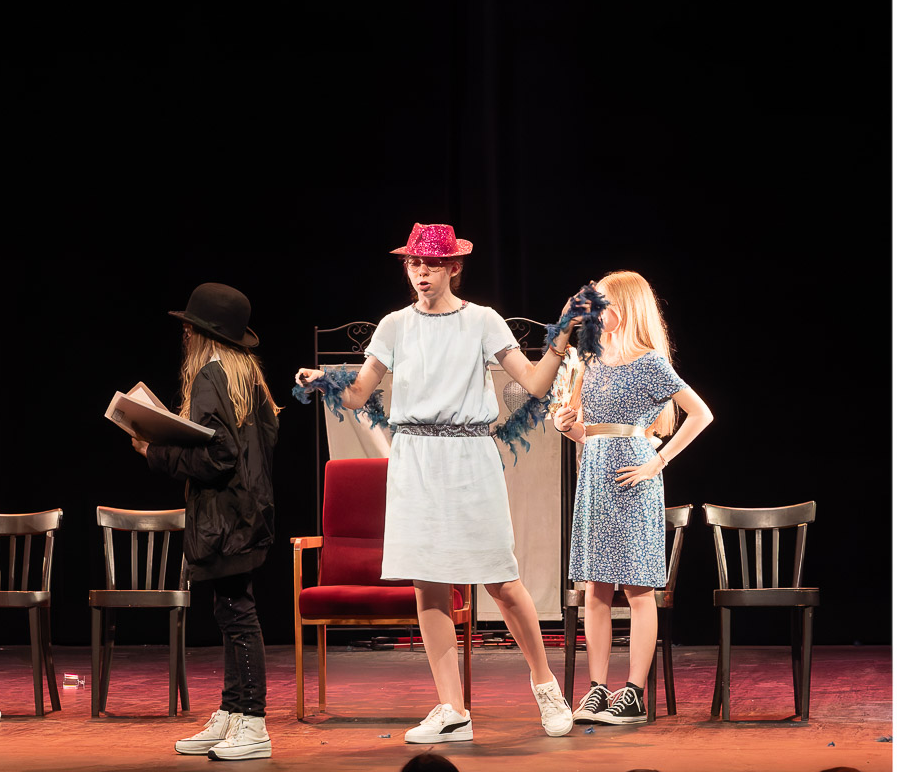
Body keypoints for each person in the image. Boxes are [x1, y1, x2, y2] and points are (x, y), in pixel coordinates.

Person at [296, 222, 579, 743]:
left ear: (453, 267)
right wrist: (326, 381)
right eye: (412, 264)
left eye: (430, 264)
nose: (420, 273)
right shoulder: (394, 326)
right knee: (428, 582)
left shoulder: (482, 321)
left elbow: (536, 383)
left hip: (469, 453)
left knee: (500, 575)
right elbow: (359, 395)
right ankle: (453, 708)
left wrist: (559, 342)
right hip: (415, 457)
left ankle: (546, 686)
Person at [552, 271, 712, 725]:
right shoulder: (591, 361)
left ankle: (635, 692)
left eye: (601, 303)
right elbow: (587, 429)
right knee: (595, 590)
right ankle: (599, 688)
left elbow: (701, 414)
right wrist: (569, 428)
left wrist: (657, 463)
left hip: (631, 478)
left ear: (624, 307)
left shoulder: (650, 363)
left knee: (638, 589)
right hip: (595, 476)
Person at [133, 283, 280, 761]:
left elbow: (217, 457)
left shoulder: (211, 377)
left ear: (200, 333)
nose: (184, 336)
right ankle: (233, 711)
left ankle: (252, 722)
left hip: (225, 517)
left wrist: (156, 450)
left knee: (238, 614)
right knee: (230, 610)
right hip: (249, 512)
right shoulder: (249, 377)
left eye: (188, 328)